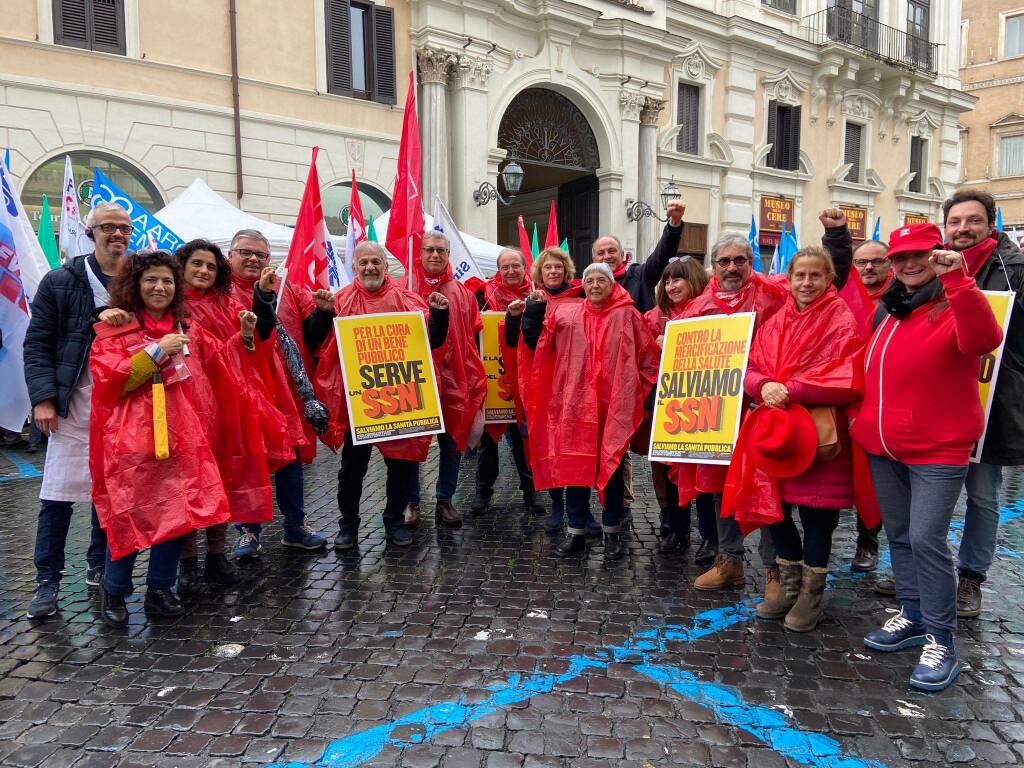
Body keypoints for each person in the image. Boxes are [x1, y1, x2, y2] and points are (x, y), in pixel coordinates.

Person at [853, 223, 1002, 692]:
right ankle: (913, 614)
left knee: (925, 539)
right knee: (899, 534)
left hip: (937, 449)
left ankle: (942, 639)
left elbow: (984, 339)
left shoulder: (954, 302)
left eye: (919, 255)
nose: (908, 265)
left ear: (938, 254)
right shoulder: (889, 309)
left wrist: (959, 280)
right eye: (900, 258)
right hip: (883, 445)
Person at [90, 251, 255, 626]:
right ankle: (114, 591)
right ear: (135, 285)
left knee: (175, 514)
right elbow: (112, 381)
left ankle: (160, 589)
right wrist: (154, 352)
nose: (160, 287)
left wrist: (245, 336)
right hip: (131, 441)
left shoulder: (186, 329)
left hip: (180, 434)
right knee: (128, 514)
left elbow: (219, 358)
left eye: (167, 280)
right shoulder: (116, 329)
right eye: (151, 280)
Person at [728, 246, 865, 632]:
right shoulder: (777, 319)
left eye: (815, 276)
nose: (806, 283)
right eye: (799, 275)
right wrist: (764, 384)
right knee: (775, 512)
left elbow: (849, 380)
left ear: (829, 279)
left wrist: (791, 388)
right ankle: (789, 587)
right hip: (775, 435)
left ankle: (811, 595)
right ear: (788, 279)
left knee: (818, 517)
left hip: (819, 439)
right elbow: (750, 367)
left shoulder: (841, 319)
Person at [21, 202, 125, 620]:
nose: (116, 234)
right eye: (108, 228)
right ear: (90, 231)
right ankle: (47, 582)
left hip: (119, 407)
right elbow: (37, 343)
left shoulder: (135, 282)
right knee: (57, 498)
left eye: (123, 228)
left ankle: (98, 566)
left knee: (108, 494)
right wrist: (43, 398)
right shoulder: (60, 281)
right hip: (71, 404)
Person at [175, 239, 298, 592]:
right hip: (185, 405)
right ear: (182, 266)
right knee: (187, 483)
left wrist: (249, 327)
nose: (203, 271)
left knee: (221, 480)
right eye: (197, 264)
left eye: (210, 267)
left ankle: (215, 555)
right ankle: (186, 563)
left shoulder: (227, 305)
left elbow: (256, 350)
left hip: (227, 404)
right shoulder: (170, 305)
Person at [518, 262, 660, 560]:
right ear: (584, 284)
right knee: (575, 470)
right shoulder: (567, 313)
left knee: (611, 471)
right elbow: (540, 346)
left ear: (612, 284)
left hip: (613, 410)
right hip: (575, 407)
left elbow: (647, 357)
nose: (595, 285)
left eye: (601, 280)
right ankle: (576, 532)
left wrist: (634, 395)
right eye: (590, 280)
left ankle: (611, 533)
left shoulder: (628, 315)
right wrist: (532, 310)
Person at [315, 242, 451, 548]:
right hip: (357, 403)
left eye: (375, 262)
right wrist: (322, 314)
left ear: (385, 266)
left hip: (399, 401)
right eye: (363, 263)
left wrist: (440, 314)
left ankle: (393, 522)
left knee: (402, 468)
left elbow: (433, 341)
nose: (369, 268)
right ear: (354, 267)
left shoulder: (407, 299)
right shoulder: (340, 300)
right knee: (351, 471)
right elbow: (317, 342)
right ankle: (348, 526)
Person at [680, 234, 789, 594]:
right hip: (717, 413)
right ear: (713, 265)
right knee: (718, 487)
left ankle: (774, 569)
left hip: (763, 409)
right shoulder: (698, 307)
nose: (731, 267)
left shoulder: (774, 297)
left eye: (739, 260)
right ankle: (729, 560)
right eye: (724, 261)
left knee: (768, 486)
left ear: (750, 261)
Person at [941, 190, 1024, 619]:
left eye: (972, 221)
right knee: (928, 493)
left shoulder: (1016, 270)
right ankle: (926, 571)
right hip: (937, 400)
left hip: (990, 399)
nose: (962, 230)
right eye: (955, 222)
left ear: (990, 225)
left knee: (983, 496)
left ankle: (971, 577)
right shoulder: (934, 268)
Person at [227, 229, 330, 556]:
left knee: (291, 459)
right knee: (248, 460)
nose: (254, 259)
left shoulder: (291, 290)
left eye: (261, 254)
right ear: (231, 256)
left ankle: (295, 526)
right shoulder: (220, 293)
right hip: (242, 393)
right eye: (245, 252)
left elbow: (312, 337)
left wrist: (324, 313)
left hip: (286, 390)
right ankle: (247, 530)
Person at [818, 212, 885, 573]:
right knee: (830, 471)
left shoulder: (901, 298)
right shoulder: (841, 294)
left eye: (877, 261)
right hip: (835, 395)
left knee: (869, 478)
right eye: (862, 262)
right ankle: (821, 543)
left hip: (874, 400)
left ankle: (868, 540)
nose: (869, 268)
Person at [406, 231, 487, 528]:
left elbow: (472, 338)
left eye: (441, 250)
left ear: (448, 254)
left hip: (455, 379)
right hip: (415, 380)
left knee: (452, 442)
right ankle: (411, 501)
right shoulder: (406, 289)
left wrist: (474, 377)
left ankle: (445, 500)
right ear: (421, 253)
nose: (435, 255)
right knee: (412, 441)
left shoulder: (463, 294)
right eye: (430, 250)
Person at [504, 247, 588, 533]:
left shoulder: (581, 299)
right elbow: (519, 343)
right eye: (548, 268)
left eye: (558, 267)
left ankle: (582, 509)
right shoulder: (532, 301)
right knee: (549, 445)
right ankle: (556, 505)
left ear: (567, 271)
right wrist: (520, 316)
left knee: (577, 447)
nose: (553, 272)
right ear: (540, 273)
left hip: (575, 384)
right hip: (544, 386)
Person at [641, 257, 717, 565]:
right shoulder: (654, 317)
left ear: (694, 281)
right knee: (669, 471)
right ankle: (676, 528)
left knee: (703, 473)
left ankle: (712, 537)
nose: (671, 286)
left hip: (701, 403)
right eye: (668, 281)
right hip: (666, 404)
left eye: (678, 280)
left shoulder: (711, 312)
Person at [472, 247, 541, 516]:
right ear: (498, 271)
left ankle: (531, 492)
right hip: (493, 379)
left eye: (516, 266)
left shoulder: (536, 295)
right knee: (488, 443)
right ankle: (482, 492)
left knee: (524, 439)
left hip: (526, 381)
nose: (511, 271)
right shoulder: (484, 296)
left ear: (525, 268)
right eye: (505, 267)